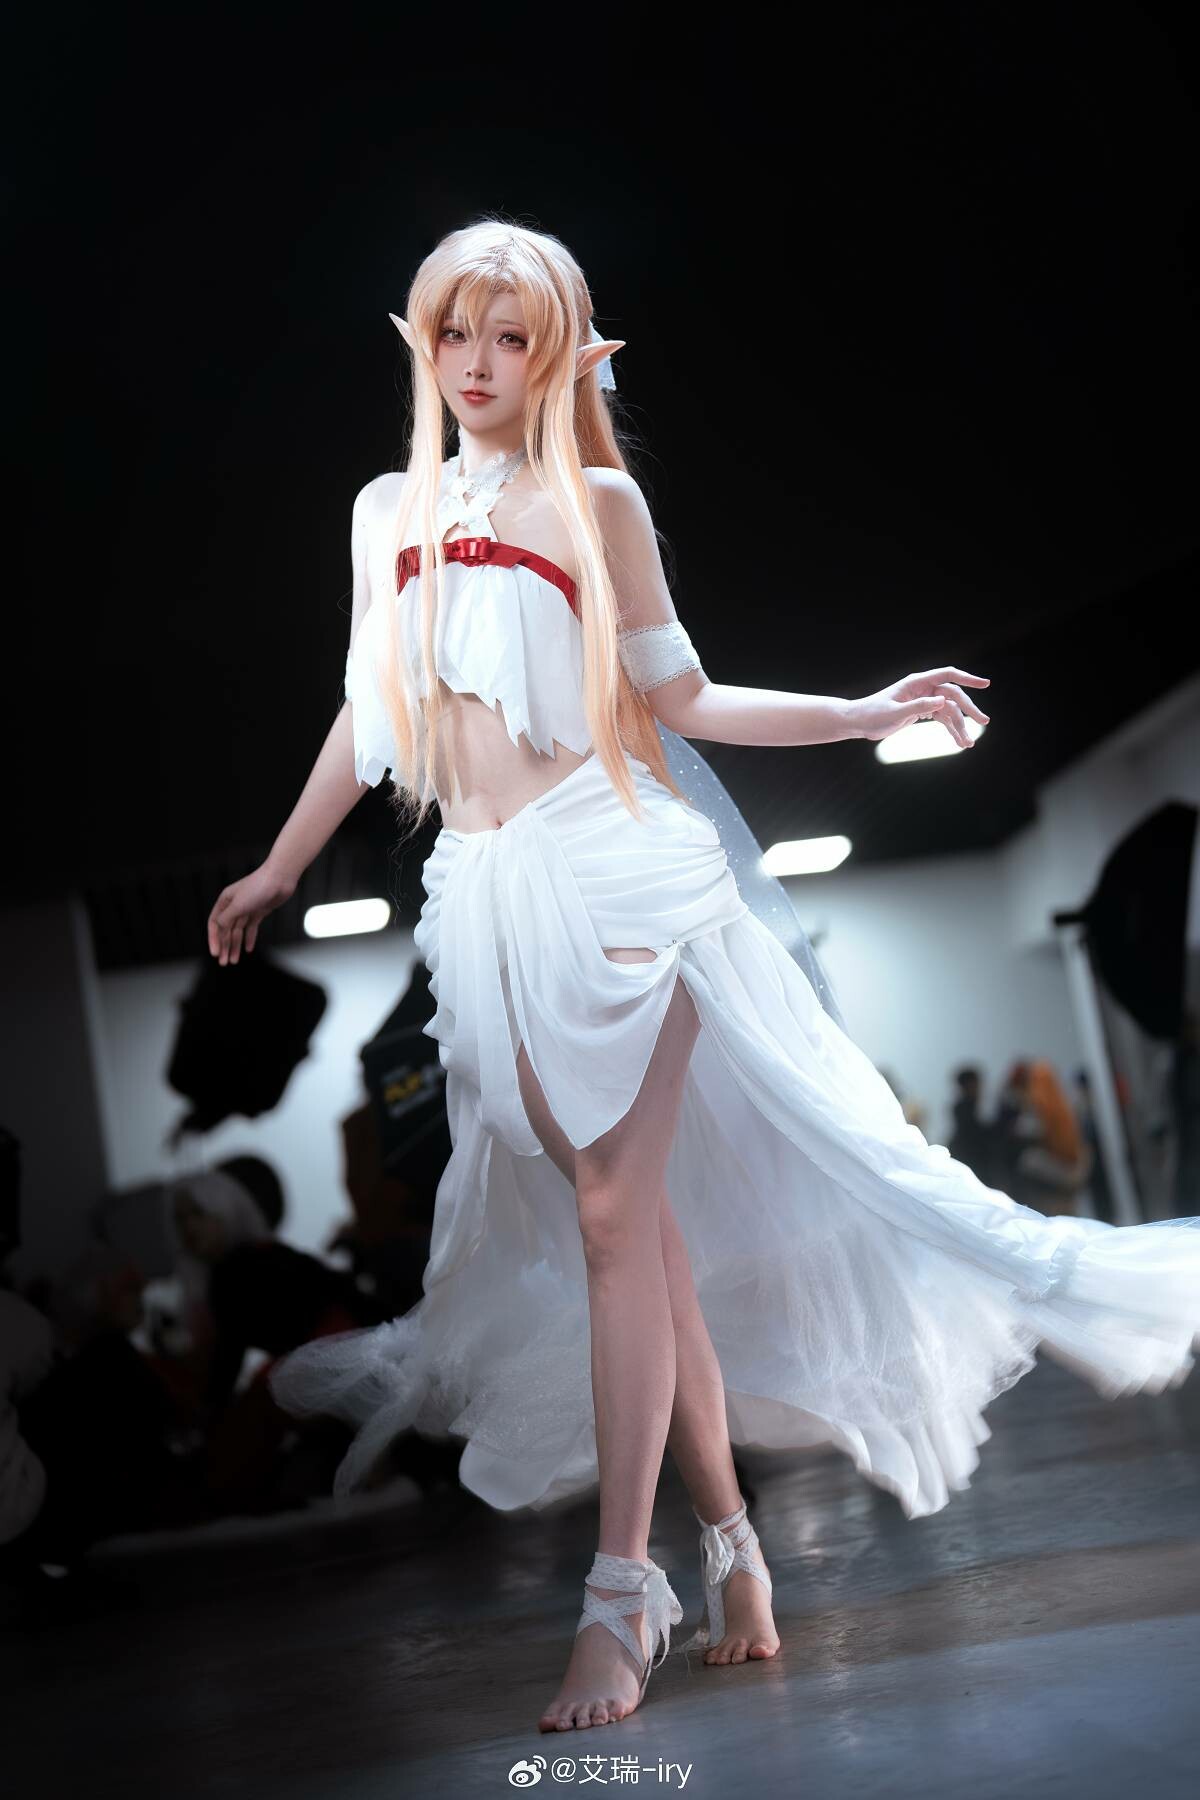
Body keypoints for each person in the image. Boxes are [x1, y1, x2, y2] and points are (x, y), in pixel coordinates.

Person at [206, 219, 1200, 1734]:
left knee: (615, 1223)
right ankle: (734, 1554)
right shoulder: (380, 510)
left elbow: (684, 694)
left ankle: (620, 1596)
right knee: (644, 1251)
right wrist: (281, 866)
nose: (479, 363)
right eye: (456, 333)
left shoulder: (595, 500)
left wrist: (864, 715)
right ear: (422, 344)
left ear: (558, 354)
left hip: (616, 870)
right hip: (476, 894)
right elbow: (365, 708)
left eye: (513, 337)